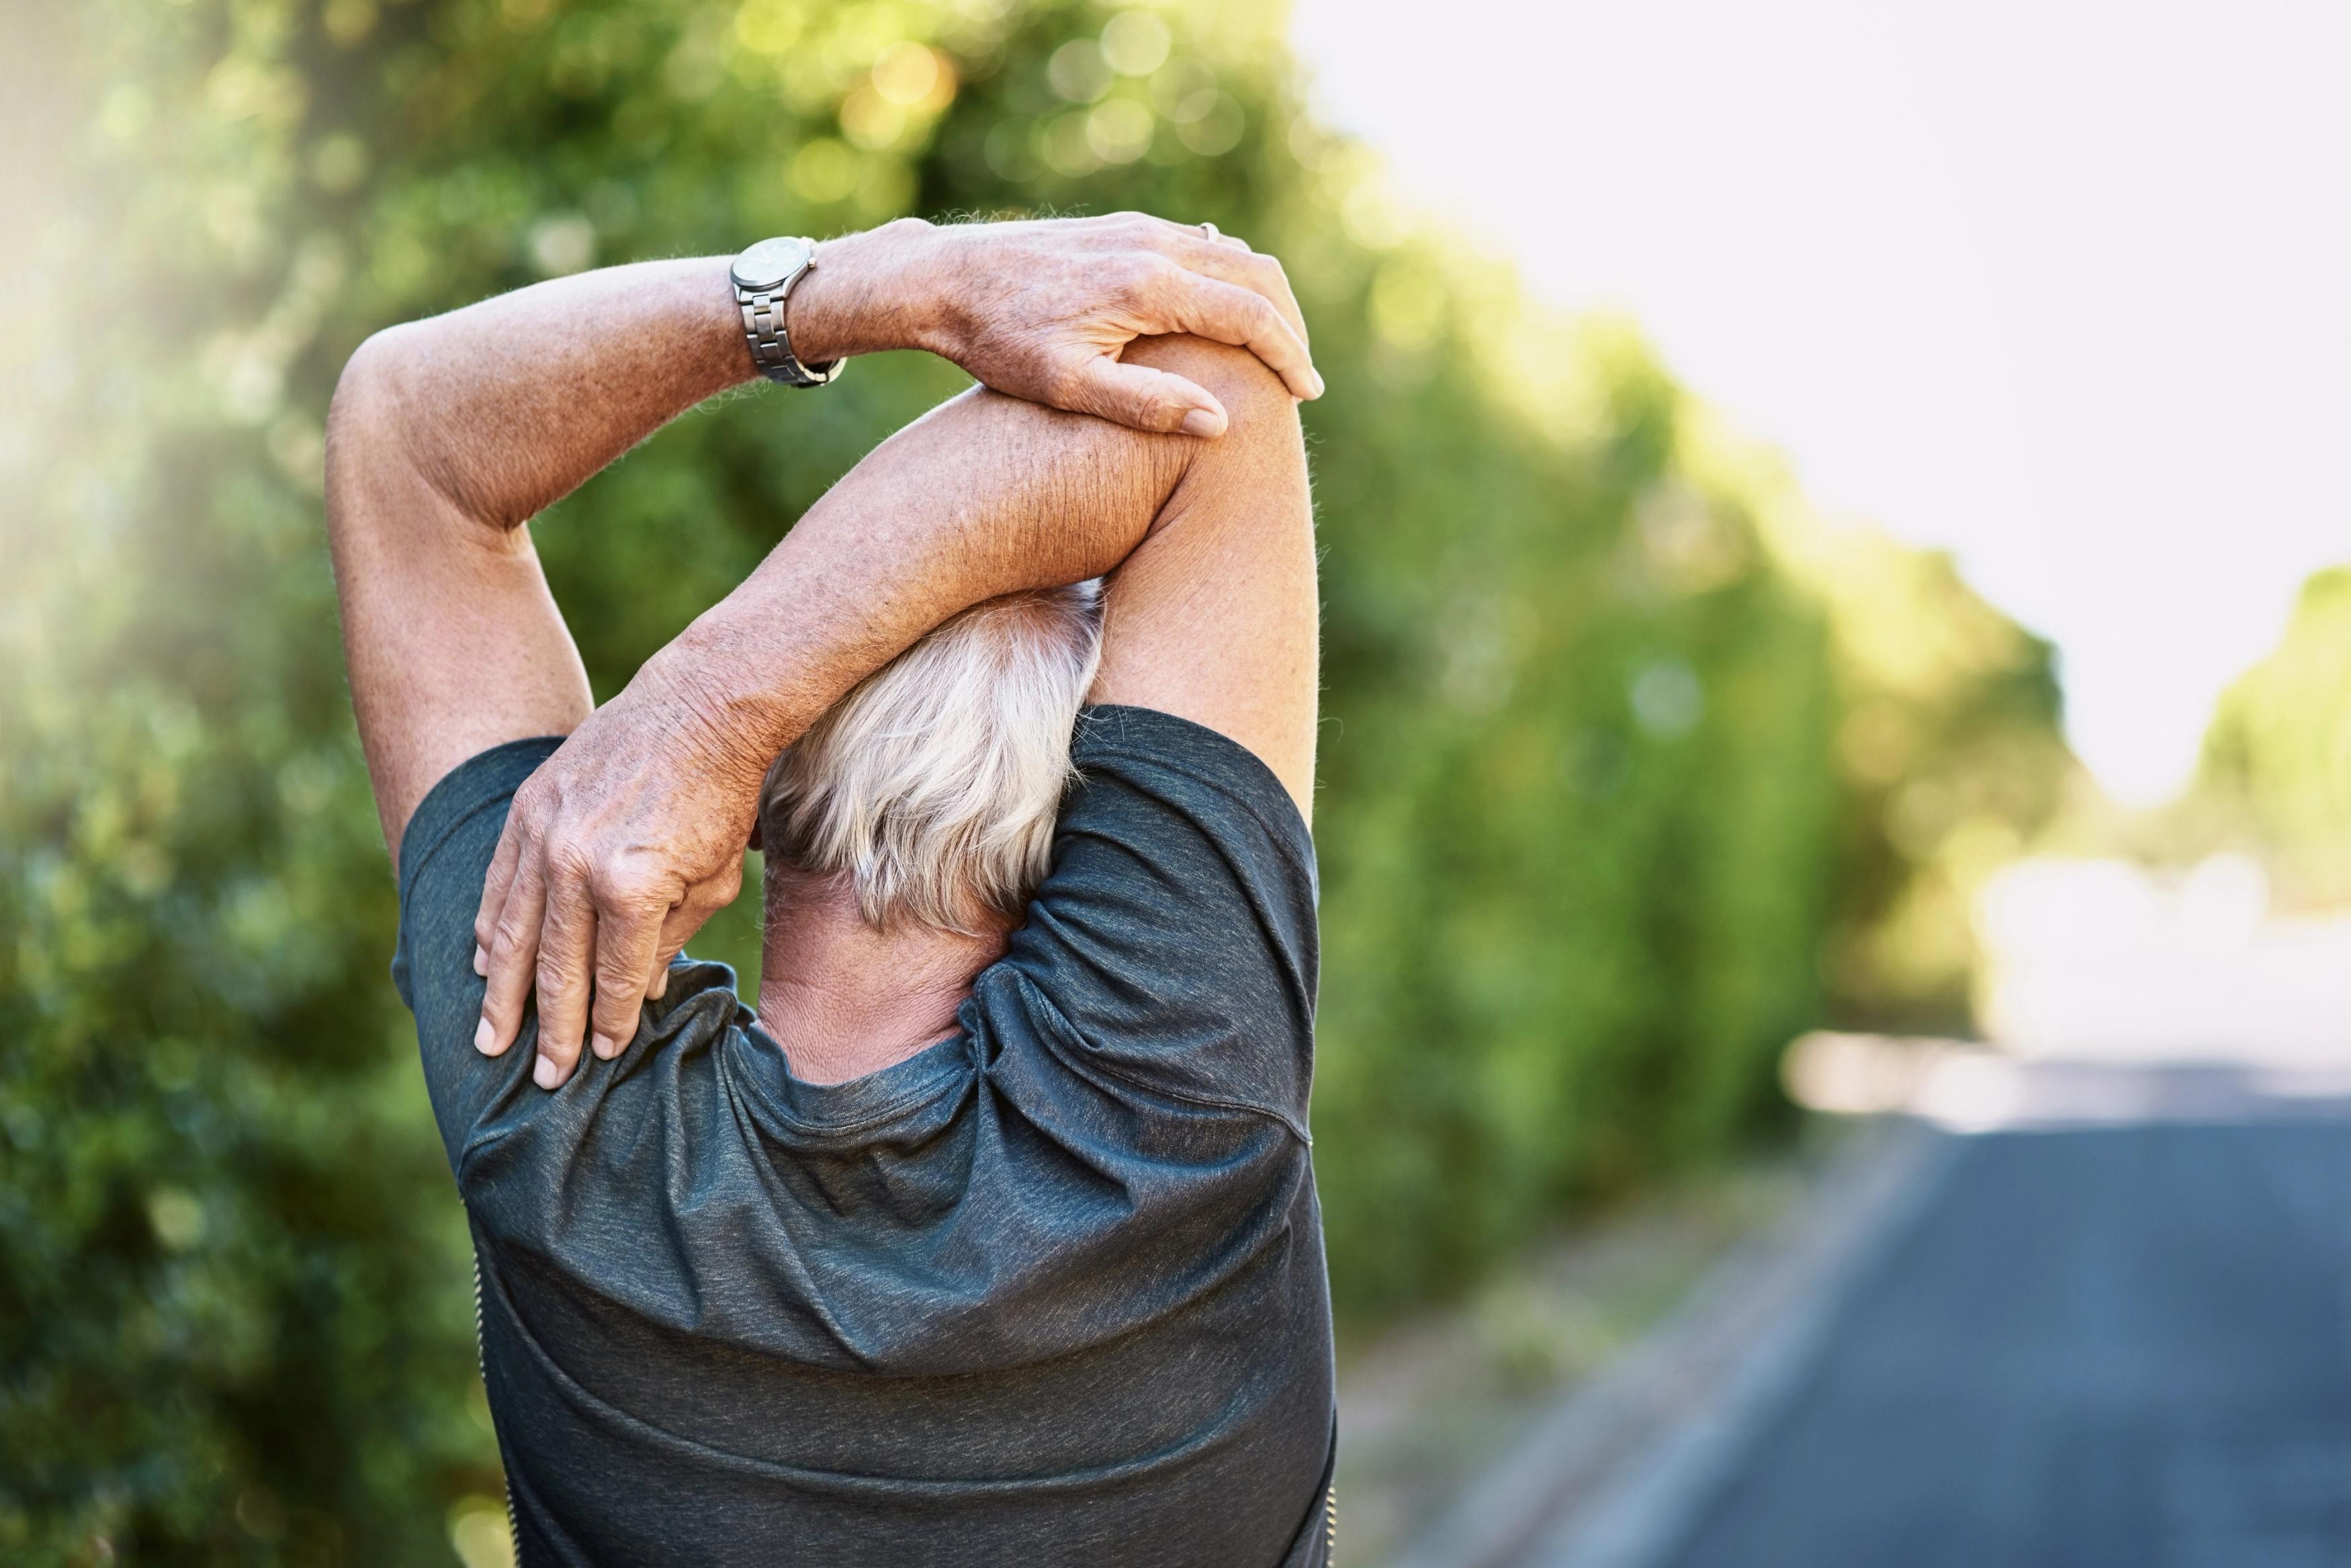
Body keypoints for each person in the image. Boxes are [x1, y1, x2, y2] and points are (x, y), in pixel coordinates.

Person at [326, 213, 1331, 1564]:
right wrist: (716, 704)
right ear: (1109, 839)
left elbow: (404, 431)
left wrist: (874, 287)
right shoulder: (1176, 1099)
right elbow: (1206, 386)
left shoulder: (552, 1096)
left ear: (772, 789)